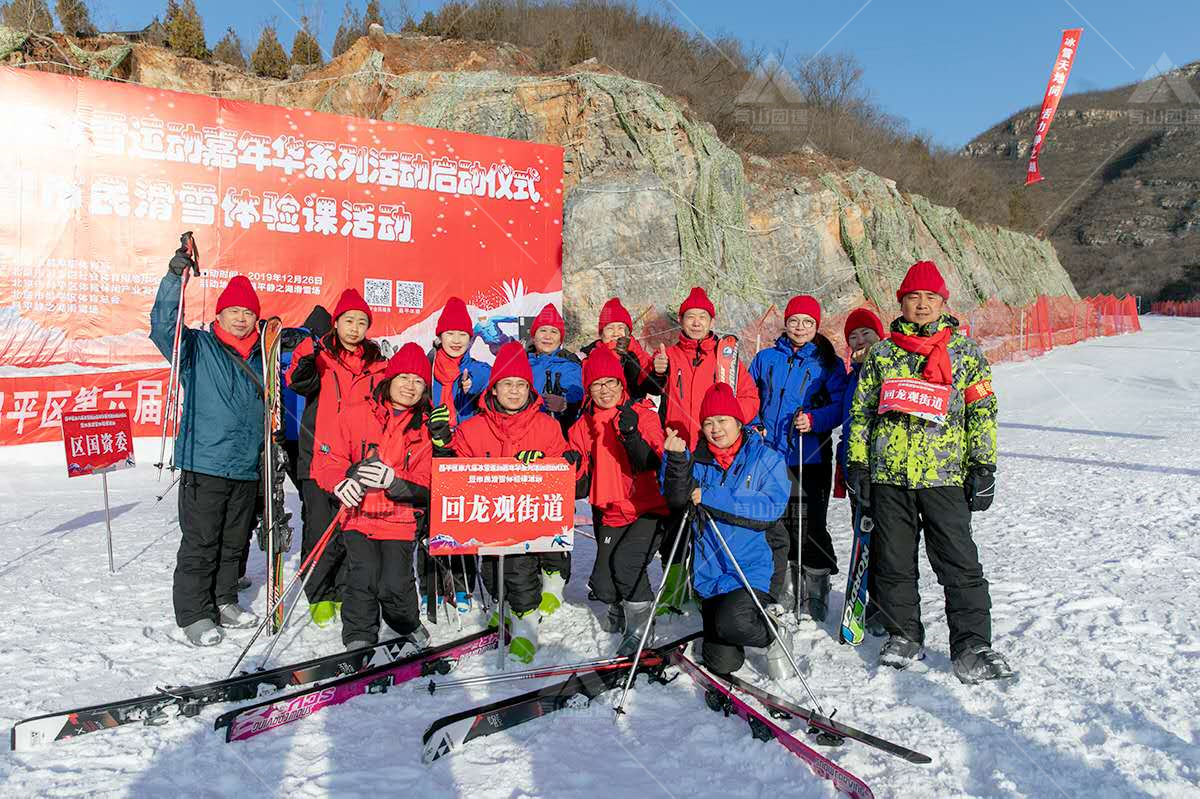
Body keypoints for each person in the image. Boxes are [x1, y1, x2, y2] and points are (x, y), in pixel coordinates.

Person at [847, 260, 1013, 684]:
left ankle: (972, 645)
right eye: (913, 298)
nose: (921, 305)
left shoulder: (965, 353)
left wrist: (984, 464)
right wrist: (858, 462)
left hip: (945, 477)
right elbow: (862, 411)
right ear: (901, 302)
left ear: (943, 303)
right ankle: (904, 634)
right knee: (894, 562)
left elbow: (982, 411)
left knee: (959, 563)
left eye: (930, 298)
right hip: (890, 476)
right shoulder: (883, 353)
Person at [149, 244, 264, 647]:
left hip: (247, 466)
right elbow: (163, 327)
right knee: (201, 541)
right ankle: (195, 613)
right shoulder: (196, 347)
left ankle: (225, 599)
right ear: (219, 314)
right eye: (234, 311)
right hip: (205, 462)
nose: (241, 317)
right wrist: (171, 279)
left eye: (248, 312)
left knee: (235, 541)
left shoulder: (263, 357)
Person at [312, 343, 439, 652]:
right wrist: (340, 482)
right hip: (358, 515)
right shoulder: (356, 413)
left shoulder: (424, 427)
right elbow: (328, 457)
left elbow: (427, 480)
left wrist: (395, 481)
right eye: (404, 378)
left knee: (395, 583)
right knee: (362, 578)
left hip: (399, 518)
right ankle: (359, 636)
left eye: (418, 381)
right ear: (389, 379)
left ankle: (406, 622)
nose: (410, 386)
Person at [660, 383, 792, 678]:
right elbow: (675, 498)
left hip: (753, 570)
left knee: (734, 623)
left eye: (722, 421)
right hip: (711, 575)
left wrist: (710, 496)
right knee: (721, 663)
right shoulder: (697, 460)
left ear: (738, 422)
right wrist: (678, 462)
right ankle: (733, 625)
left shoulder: (766, 459)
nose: (716, 429)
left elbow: (769, 508)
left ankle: (772, 634)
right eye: (708, 422)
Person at [453, 342, 568, 663]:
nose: (514, 392)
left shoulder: (547, 426)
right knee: (492, 575)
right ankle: (504, 609)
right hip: (488, 521)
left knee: (520, 573)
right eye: (507, 384)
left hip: (528, 523)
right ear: (494, 388)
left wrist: (545, 462)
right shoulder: (471, 428)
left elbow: (566, 466)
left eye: (521, 385)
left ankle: (526, 628)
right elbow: (457, 469)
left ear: (530, 389)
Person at [648, 286, 759, 615]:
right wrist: (657, 371)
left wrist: (730, 426)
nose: (696, 323)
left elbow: (750, 399)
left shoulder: (726, 357)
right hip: (679, 448)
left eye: (702, 317)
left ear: (712, 320)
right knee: (675, 517)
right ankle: (673, 587)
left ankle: (708, 583)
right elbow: (648, 396)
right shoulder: (670, 355)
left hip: (716, 450)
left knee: (711, 516)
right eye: (690, 317)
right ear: (681, 321)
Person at [285, 290, 388, 628]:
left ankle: (343, 588)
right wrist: (309, 345)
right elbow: (296, 380)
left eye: (362, 322)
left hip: (359, 460)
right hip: (319, 455)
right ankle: (318, 592)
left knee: (350, 527)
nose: (355, 328)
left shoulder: (377, 364)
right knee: (319, 527)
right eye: (349, 321)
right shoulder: (321, 358)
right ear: (337, 323)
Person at [749, 295, 847, 622]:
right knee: (779, 523)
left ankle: (817, 585)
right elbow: (748, 397)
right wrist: (754, 425)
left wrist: (815, 420)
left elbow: (840, 405)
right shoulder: (765, 359)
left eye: (808, 322)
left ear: (816, 326)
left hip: (810, 455)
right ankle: (787, 586)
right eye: (794, 321)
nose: (800, 327)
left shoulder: (828, 363)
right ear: (786, 323)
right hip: (771, 454)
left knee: (811, 524)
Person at [568, 346, 668, 654]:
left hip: (645, 508)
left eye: (611, 382)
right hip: (607, 509)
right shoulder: (582, 424)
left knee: (626, 565)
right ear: (589, 390)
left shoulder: (642, 415)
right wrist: (570, 463)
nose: (605, 390)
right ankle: (620, 605)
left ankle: (641, 629)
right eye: (597, 384)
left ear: (622, 385)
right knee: (602, 585)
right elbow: (578, 471)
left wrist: (631, 435)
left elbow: (655, 460)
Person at [525, 302, 584, 614]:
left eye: (552, 331)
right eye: (542, 331)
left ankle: (555, 580)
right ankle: (528, 577)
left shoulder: (570, 364)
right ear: (533, 335)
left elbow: (578, 393)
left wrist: (566, 404)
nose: (546, 336)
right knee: (525, 513)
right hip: (521, 448)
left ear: (560, 337)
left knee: (554, 513)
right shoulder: (521, 360)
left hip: (556, 446)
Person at [835, 307, 885, 636]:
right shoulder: (852, 377)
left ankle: (887, 606)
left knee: (887, 541)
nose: (859, 339)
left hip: (884, 468)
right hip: (855, 467)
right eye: (853, 336)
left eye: (866, 332)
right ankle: (867, 602)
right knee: (864, 538)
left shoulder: (889, 370)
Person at [578, 298, 656, 401]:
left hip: (633, 409)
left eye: (620, 328)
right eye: (610, 328)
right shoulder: (589, 355)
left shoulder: (638, 352)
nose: (615, 333)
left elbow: (652, 385)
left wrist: (631, 353)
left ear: (628, 332)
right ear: (601, 334)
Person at [430, 296, 491, 425]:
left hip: (466, 440)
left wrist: (472, 384)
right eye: (450, 333)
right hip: (430, 439)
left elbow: (484, 377)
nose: (456, 340)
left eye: (463, 334)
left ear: (470, 339)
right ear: (440, 337)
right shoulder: (429, 367)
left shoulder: (477, 368)